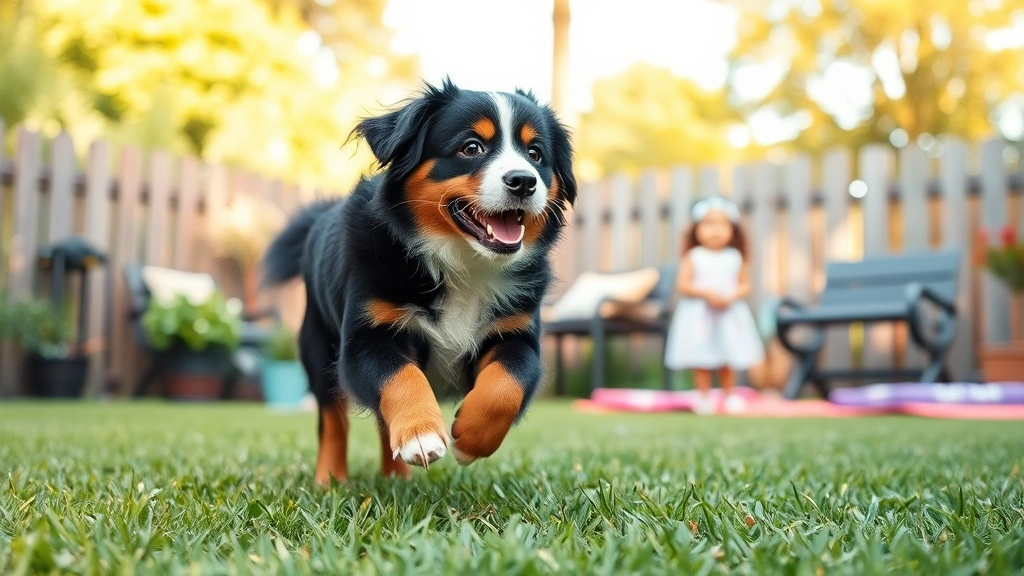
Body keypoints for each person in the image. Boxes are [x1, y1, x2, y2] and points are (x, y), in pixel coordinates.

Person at [665, 197, 765, 414]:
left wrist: (732, 295)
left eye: (722, 224)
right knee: (701, 357)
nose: (715, 230)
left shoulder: (735, 257)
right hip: (700, 316)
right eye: (708, 223)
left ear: (733, 230)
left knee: (727, 355)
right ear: (696, 229)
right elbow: (683, 284)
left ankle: (729, 396)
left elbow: (745, 285)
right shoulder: (694, 256)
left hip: (728, 315)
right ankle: (704, 397)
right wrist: (706, 293)